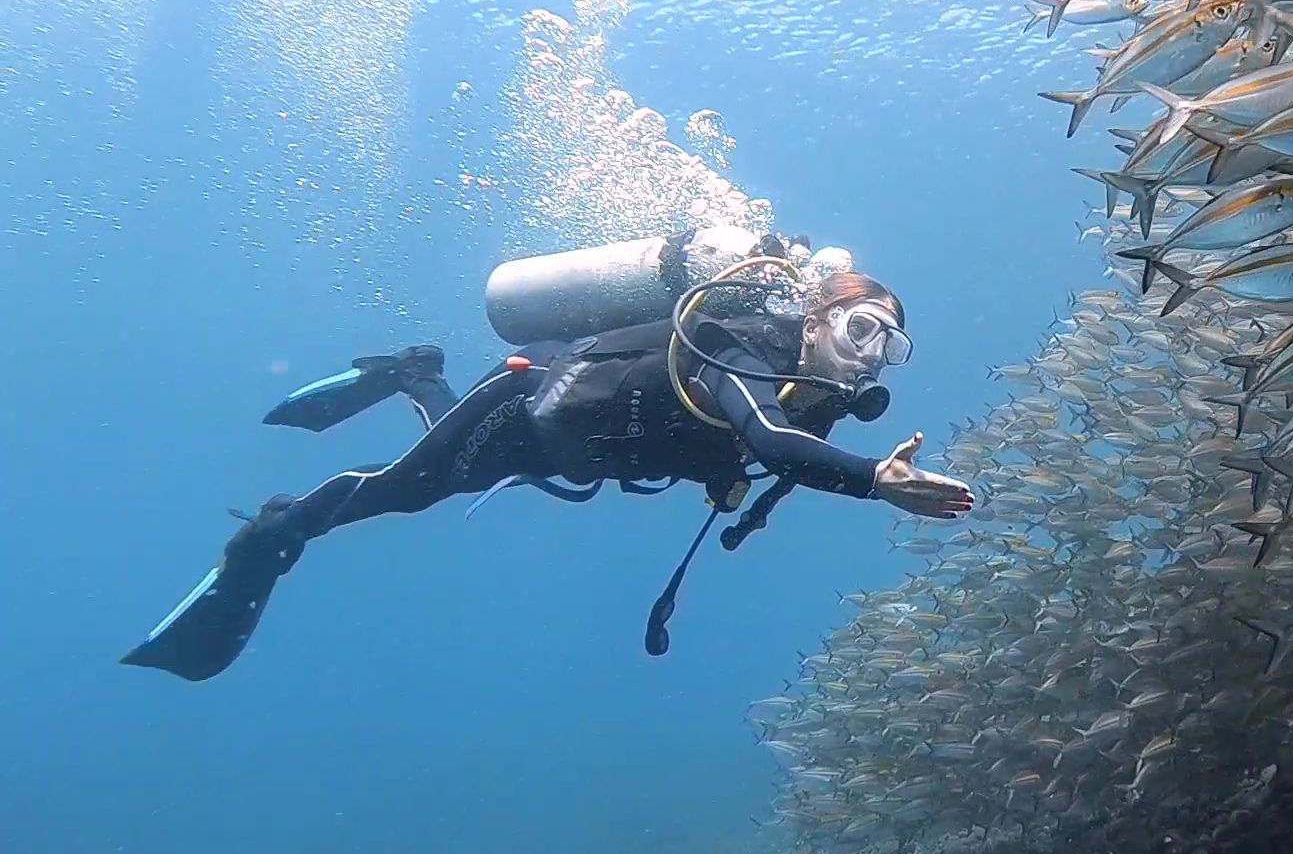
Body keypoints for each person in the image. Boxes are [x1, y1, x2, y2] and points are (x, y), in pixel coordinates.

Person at [122, 270, 974, 682]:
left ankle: (416, 371)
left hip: (565, 453)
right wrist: (876, 481)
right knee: (407, 490)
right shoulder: (739, 348)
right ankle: (273, 533)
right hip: (528, 404)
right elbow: (773, 446)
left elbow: (773, 456)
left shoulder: (807, 399)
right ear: (818, 314)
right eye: (861, 330)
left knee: (443, 473)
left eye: (887, 347)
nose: (869, 359)